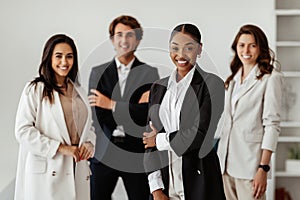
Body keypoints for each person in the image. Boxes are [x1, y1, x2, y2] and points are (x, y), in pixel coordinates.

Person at [143, 23, 226, 200]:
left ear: (199, 49)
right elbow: (147, 140)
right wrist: (156, 188)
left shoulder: (212, 85)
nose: (181, 55)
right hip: (165, 185)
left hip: (200, 183)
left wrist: (158, 140)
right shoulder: (158, 87)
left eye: (189, 47)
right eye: (175, 48)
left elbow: (200, 135)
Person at [14, 34, 96, 200]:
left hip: (76, 169)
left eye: (69, 56)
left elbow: (89, 126)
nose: (64, 62)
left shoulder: (78, 90)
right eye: (58, 56)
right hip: (47, 172)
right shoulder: (36, 89)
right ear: (49, 58)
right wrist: (60, 148)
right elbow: (23, 131)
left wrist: (90, 143)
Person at [88, 15, 159, 200]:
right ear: (112, 39)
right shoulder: (98, 72)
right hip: (104, 151)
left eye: (130, 35)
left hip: (135, 151)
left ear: (138, 40)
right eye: (119, 35)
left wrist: (111, 104)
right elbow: (98, 115)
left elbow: (146, 115)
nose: (124, 40)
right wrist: (132, 108)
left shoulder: (149, 73)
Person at [216, 24, 283, 200]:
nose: (246, 50)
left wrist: (263, 168)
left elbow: (272, 125)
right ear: (236, 47)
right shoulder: (232, 79)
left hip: (250, 167)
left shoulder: (271, 78)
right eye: (241, 45)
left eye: (252, 45)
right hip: (225, 164)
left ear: (260, 48)